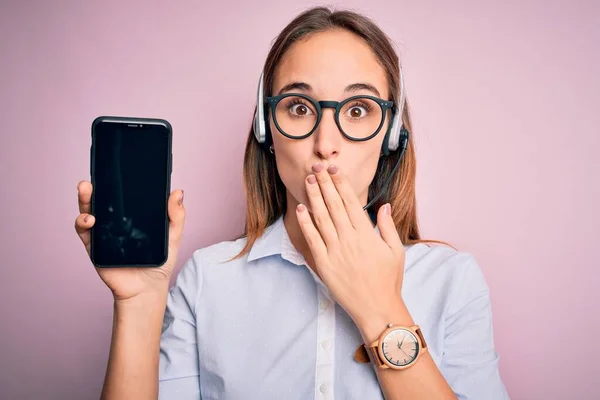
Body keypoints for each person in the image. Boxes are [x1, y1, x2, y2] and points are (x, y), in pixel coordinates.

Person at [75, 6, 509, 400]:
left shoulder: (451, 280)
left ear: (391, 135)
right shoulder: (206, 280)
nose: (326, 144)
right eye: (299, 108)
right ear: (267, 129)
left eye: (358, 110)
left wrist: (381, 309)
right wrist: (137, 303)